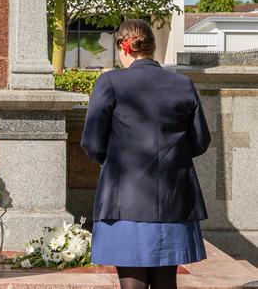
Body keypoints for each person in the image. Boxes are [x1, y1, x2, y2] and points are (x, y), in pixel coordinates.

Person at [81, 19, 210, 289]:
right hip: (173, 199)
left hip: (124, 200)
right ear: (152, 46)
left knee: (133, 285)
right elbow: (200, 141)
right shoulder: (183, 83)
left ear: (123, 48)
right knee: (166, 284)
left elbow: (92, 142)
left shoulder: (110, 82)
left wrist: (115, 161)